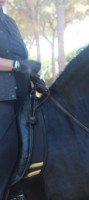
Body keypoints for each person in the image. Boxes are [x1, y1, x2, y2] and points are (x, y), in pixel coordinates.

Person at [0, 1, 42, 199]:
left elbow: (21, 56)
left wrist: (31, 73)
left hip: (23, 95)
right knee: (7, 147)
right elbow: (16, 61)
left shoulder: (9, 22)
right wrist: (18, 64)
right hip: (2, 97)